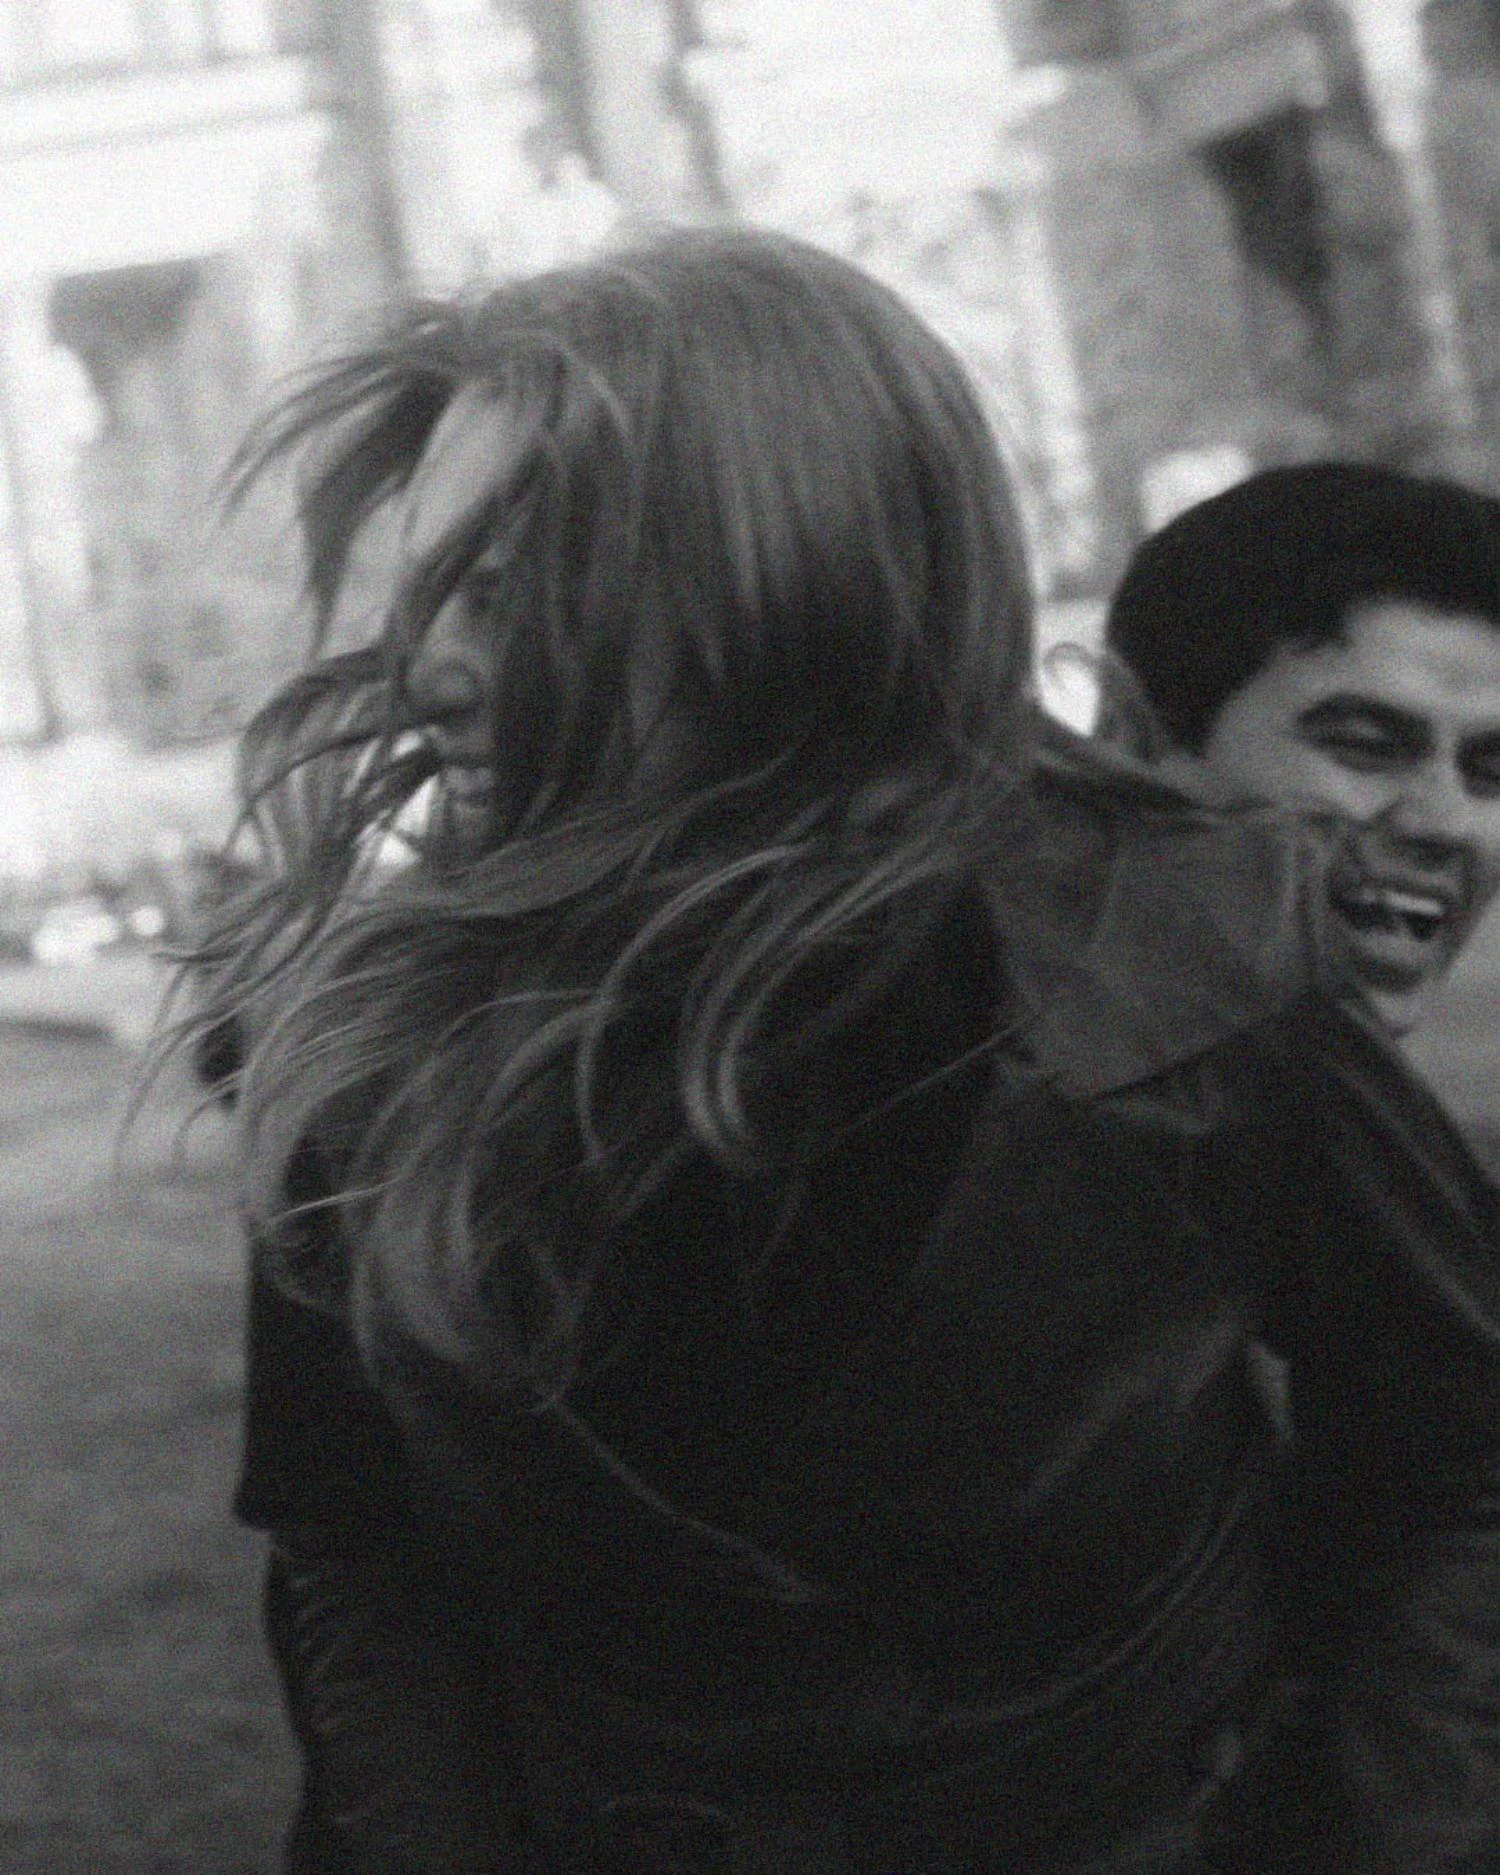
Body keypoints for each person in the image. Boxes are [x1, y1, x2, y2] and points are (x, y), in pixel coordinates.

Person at [186, 235, 1493, 1873]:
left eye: (513, 589)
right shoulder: (364, 1049)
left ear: (785, 575)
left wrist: (1391, 1832)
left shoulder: (1188, 973)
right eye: (431, 588)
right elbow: (355, 1548)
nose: (431, 666)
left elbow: (1456, 1459)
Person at [1106, 460, 1500, 1871]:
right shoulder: (1045, 1091)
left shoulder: (1358, 1110)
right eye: (1366, 741)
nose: (1446, 822)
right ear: (1135, 736)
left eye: (1491, 767)